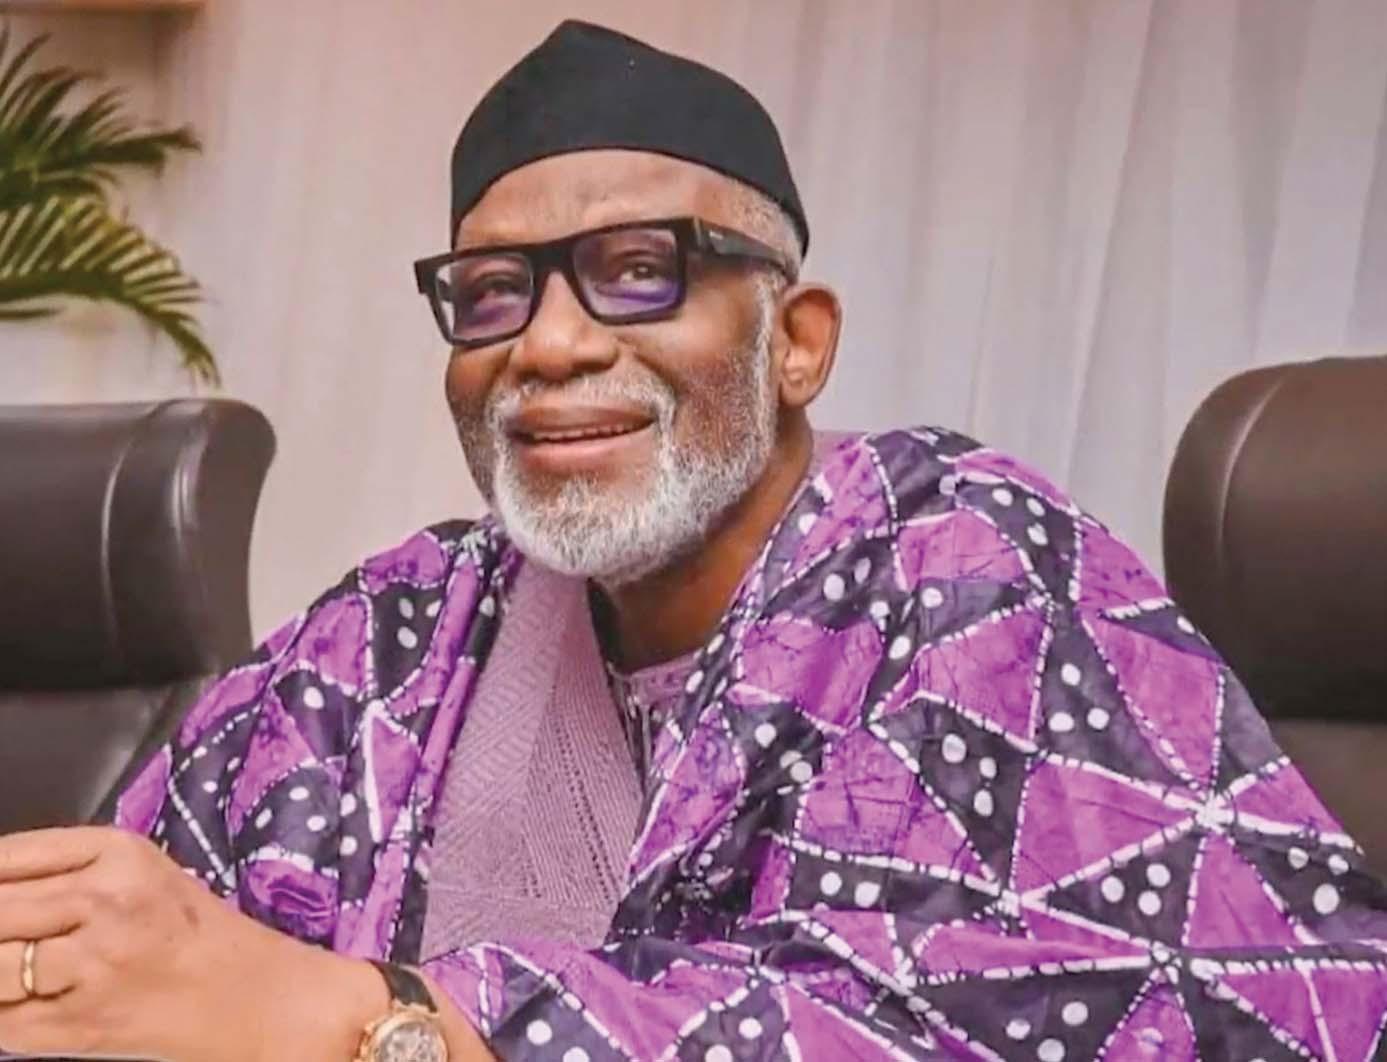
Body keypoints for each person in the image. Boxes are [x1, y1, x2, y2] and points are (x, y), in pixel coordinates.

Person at [2, 19, 1386, 1062]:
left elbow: (1210, 997)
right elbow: (138, 936)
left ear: (797, 341)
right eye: (491, 293)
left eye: (638, 270)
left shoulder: (967, 562)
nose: (548, 344)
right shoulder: (397, 626)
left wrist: (383, 1023)